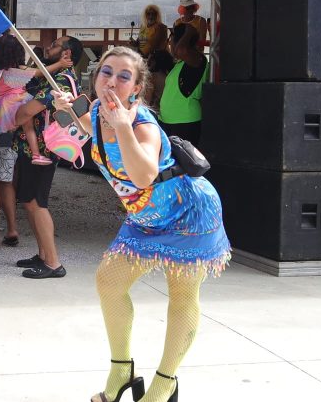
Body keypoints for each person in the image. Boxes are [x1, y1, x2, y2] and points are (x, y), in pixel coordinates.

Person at [53, 46, 230, 402]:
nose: (113, 80)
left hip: (187, 213)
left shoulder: (141, 124)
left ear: (136, 87)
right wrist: (65, 109)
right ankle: (122, 373)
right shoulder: (100, 112)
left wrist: (125, 129)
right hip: (144, 218)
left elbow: (144, 174)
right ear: (96, 76)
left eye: (124, 76)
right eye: (107, 72)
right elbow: (79, 126)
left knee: (182, 294)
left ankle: (163, 386)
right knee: (109, 282)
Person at [10, 36, 83, 279]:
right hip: (35, 150)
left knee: (37, 203)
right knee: (30, 200)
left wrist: (15, 114)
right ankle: (43, 254)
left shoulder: (60, 80)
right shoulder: (59, 76)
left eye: (54, 45)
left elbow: (25, 113)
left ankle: (53, 262)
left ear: (67, 54)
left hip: (41, 151)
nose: (48, 47)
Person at [0, 34, 74, 165]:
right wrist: (60, 63)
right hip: (17, 102)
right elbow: (41, 72)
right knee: (28, 127)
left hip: (0, 108)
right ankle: (36, 154)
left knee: (1, 138)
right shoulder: (18, 69)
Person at [159, 24, 208, 146]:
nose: (170, 45)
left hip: (185, 122)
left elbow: (181, 50)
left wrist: (189, 31)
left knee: (184, 164)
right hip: (168, 121)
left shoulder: (197, 59)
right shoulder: (179, 64)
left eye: (171, 40)